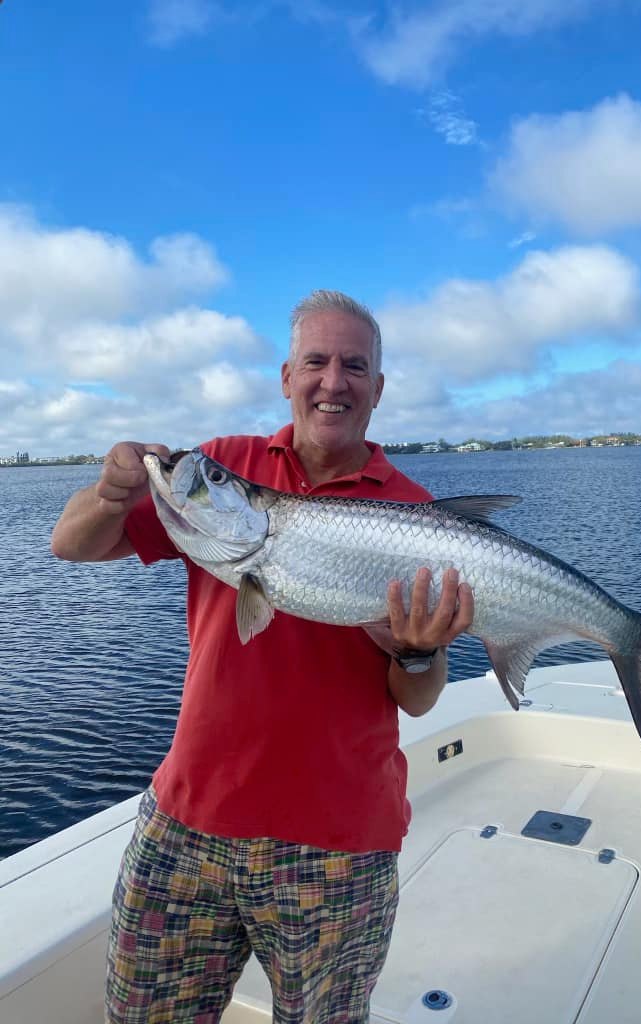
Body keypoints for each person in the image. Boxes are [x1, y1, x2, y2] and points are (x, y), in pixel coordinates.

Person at [51, 289, 474, 1024]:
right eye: (316, 361)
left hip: (339, 845)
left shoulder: (415, 517)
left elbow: (418, 698)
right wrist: (112, 492)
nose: (333, 381)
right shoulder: (220, 473)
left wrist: (417, 652)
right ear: (287, 377)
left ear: (377, 388)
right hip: (188, 819)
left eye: (354, 366)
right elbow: (72, 545)